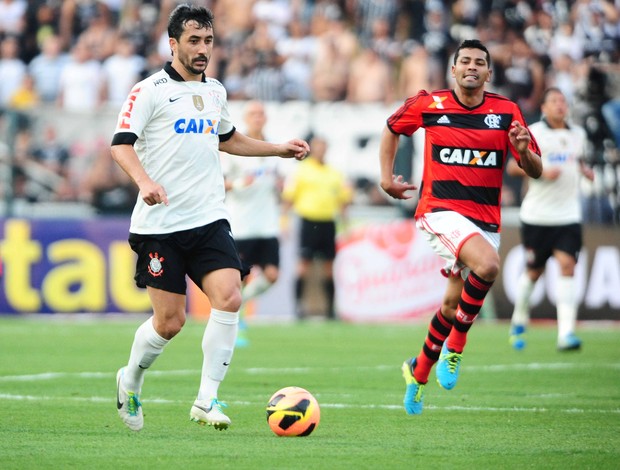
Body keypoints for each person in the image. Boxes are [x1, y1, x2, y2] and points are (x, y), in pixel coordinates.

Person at [110, 4, 309, 433]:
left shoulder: (215, 90)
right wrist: (144, 181)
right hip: (159, 225)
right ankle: (131, 378)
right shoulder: (149, 90)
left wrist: (277, 148)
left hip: (208, 217)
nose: (203, 49)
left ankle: (206, 399)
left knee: (231, 296)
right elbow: (121, 144)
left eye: (209, 41)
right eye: (194, 41)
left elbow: (227, 139)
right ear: (173, 44)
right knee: (171, 323)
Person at [378, 39, 543, 415]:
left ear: (489, 72)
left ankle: (417, 371)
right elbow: (391, 128)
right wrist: (386, 179)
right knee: (488, 267)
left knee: (452, 306)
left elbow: (535, 169)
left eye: (479, 62)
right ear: (453, 70)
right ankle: (456, 347)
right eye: (465, 61)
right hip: (439, 213)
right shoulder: (430, 104)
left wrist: (523, 151)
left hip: (485, 221)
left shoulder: (506, 112)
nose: (472, 66)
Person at [508, 87, 595, 352]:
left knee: (568, 265)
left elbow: (576, 160)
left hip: (568, 214)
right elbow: (513, 166)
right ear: (543, 107)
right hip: (538, 216)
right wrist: (542, 173)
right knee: (534, 272)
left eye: (563, 101)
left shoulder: (578, 134)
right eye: (554, 101)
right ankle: (518, 318)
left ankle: (566, 333)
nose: (560, 105)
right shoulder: (534, 132)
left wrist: (584, 171)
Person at [223, 100, 283, 346]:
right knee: (241, 277)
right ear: (246, 118)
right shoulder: (235, 149)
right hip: (242, 224)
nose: (258, 117)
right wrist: (238, 184)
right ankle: (234, 323)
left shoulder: (272, 149)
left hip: (267, 223)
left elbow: (277, 185)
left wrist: (281, 190)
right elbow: (219, 181)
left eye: (261, 113)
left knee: (272, 274)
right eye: (253, 114)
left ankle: (240, 307)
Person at [282, 135, 352, 320]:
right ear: (312, 148)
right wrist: (284, 222)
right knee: (303, 266)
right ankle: (298, 308)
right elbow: (288, 199)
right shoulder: (301, 171)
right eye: (318, 146)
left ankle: (330, 310)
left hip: (327, 222)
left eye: (324, 146)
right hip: (308, 221)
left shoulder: (334, 173)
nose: (321, 150)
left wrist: (346, 226)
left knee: (329, 267)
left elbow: (343, 201)